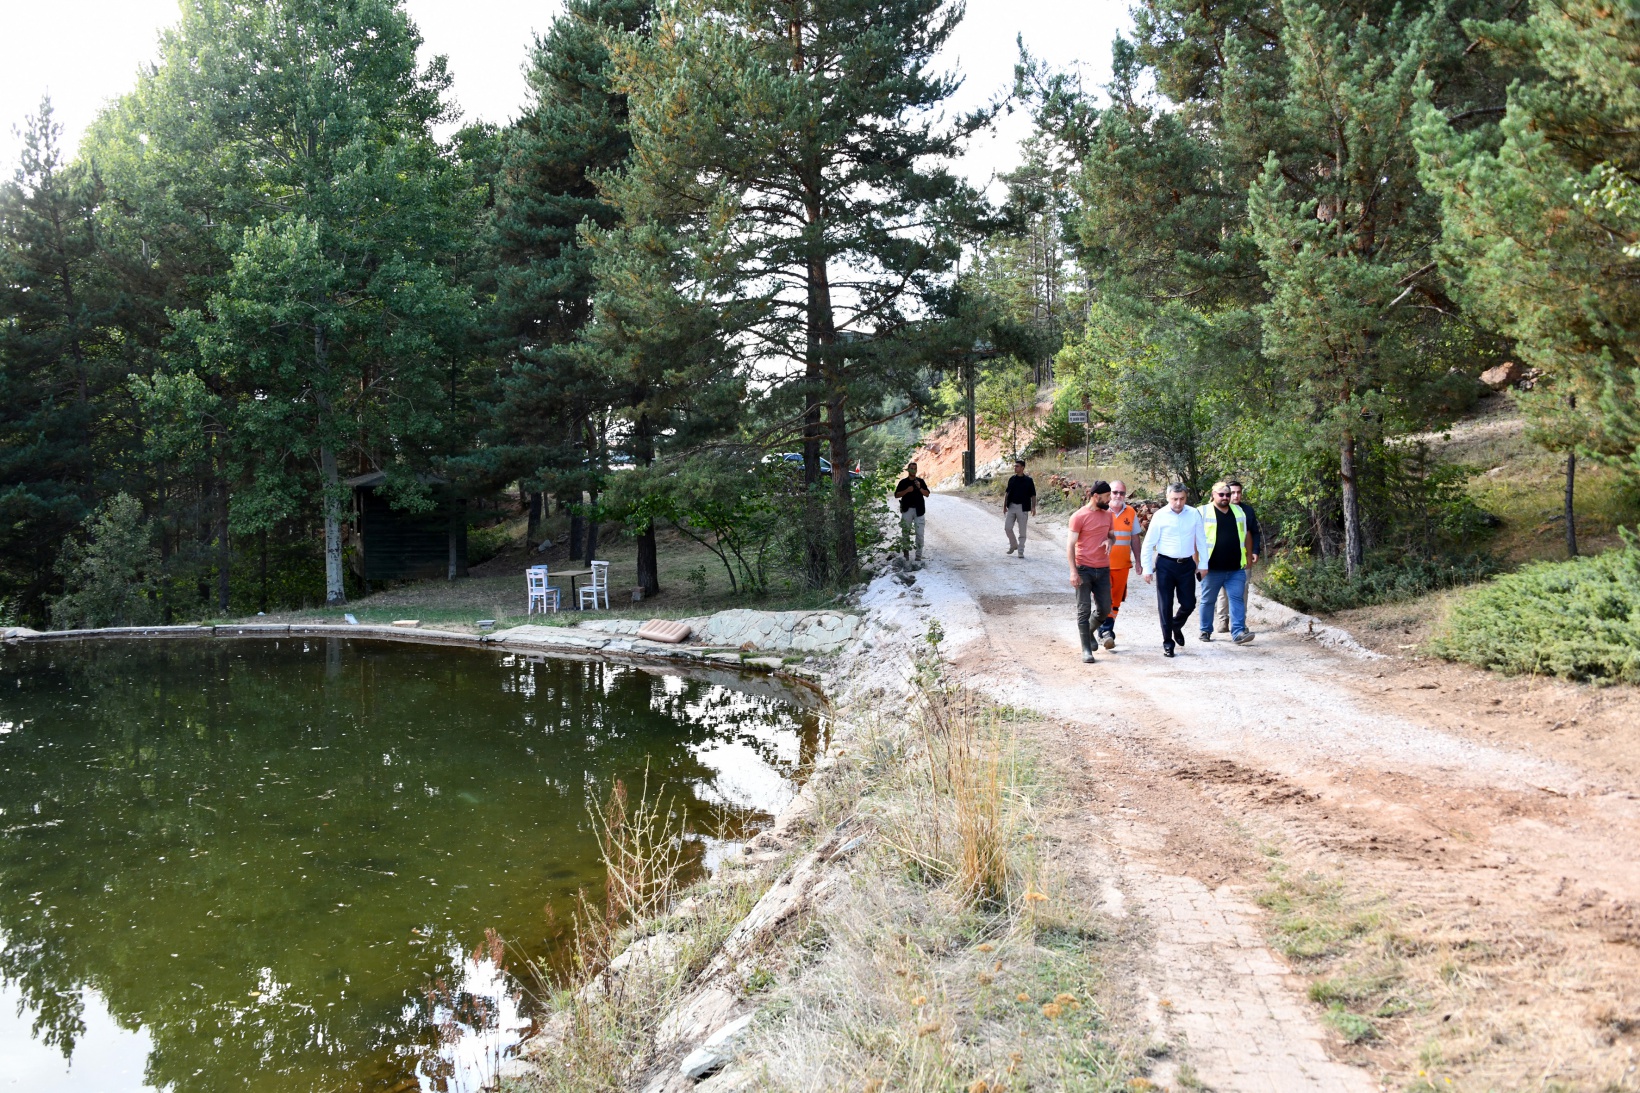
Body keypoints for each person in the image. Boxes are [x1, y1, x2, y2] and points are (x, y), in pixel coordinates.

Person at [1141, 482, 1208, 658]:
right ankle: (1168, 643)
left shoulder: (1193, 514)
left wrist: (1204, 565)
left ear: (1186, 497)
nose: (1178, 503)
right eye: (1174, 499)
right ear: (1168, 498)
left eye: (1182, 499)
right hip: (1165, 565)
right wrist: (1147, 568)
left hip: (1186, 564)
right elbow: (1148, 544)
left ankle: (1175, 625)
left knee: (1189, 603)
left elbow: (1201, 540)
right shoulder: (1160, 516)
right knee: (1165, 605)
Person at [1196, 480, 1255, 645]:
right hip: (1212, 568)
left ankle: (1238, 632)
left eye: (1227, 495)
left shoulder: (1239, 511)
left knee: (1237, 599)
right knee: (1208, 600)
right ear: (1213, 495)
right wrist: (1197, 563)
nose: (1225, 497)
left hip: (1235, 568)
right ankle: (1205, 630)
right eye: (1221, 494)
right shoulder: (1202, 512)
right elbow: (1194, 537)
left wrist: (1248, 556)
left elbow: (1247, 534)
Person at [1066, 480, 1117, 664]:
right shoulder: (1079, 516)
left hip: (1103, 569)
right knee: (1084, 610)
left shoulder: (1108, 515)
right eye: (1106, 497)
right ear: (1096, 497)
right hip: (1084, 569)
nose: (1109, 501)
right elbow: (1070, 545)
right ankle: (1086, 649)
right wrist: (1073, 572)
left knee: (1105, 608)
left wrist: (1110, 541)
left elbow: (1113, 535)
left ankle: (1087, 632)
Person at [1096, 480, 1144, 649]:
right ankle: (1105, 631)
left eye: (1121, 493)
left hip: (1122, 566)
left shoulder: (1130, 512)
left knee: (1115, 601)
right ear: (1109, 493)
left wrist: (1138, 561)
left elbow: (1135, 538)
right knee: (1103, 600)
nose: (1118, 496)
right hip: (1101, 565)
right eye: (1115, 492)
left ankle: (1103, 630)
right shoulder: (1100, 511)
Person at [1214, 480, 1262, 632]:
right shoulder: (1216, 510)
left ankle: (1240, 623)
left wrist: (1254, 551)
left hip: (1242, 558)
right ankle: (1223, 620)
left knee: (1242, 590)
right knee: (1223, 591)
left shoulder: (1247, 511)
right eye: (1232, 492)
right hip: (1221, 558)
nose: (1235, 496)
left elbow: (1254, 532)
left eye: (1238, 492)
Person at [894, 461, 931, 561]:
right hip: (907, 510)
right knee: (905, 533)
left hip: (919, 510)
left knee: (920, 533)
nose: (913, 470)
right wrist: (906, 490)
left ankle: (918, 556)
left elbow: (927, 494)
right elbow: (896, 495)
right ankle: (906, 555)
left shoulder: (920, 481)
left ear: (916, 470)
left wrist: (919, 488)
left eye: (915, 469)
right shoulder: (903, 482)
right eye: (911, 468)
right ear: (908, 470)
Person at [1003, 459, 1037, 558]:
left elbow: (1033, 495)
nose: (1015, 468)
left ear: (1022, 468)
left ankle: (1021, 550)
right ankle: (1014, 545)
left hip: (1023, 507)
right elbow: (1007, 493)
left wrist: (1033, 507)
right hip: (1012, 506)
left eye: (1017, 466)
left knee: (1022, 531)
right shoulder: (1012, 479)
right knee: (1007, 528)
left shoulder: (1028, 480)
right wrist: (1004, 505)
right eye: (1015, 466)